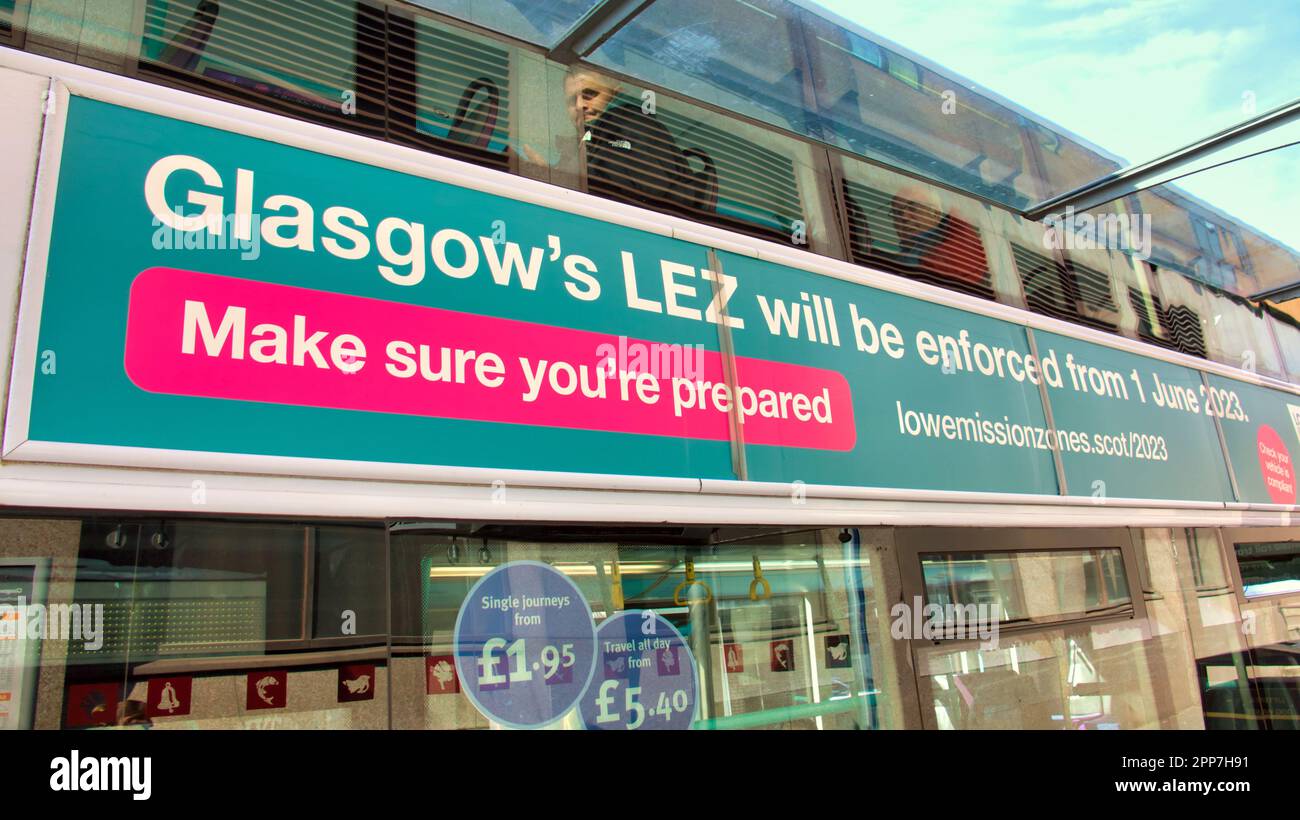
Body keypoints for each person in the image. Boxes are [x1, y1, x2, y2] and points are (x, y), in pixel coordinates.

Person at [889, 183, 989, 287]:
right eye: (897, 213)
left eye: (913, 208)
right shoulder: (908, 253)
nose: (905, 217)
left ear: (935, 213)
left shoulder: (950, 248)